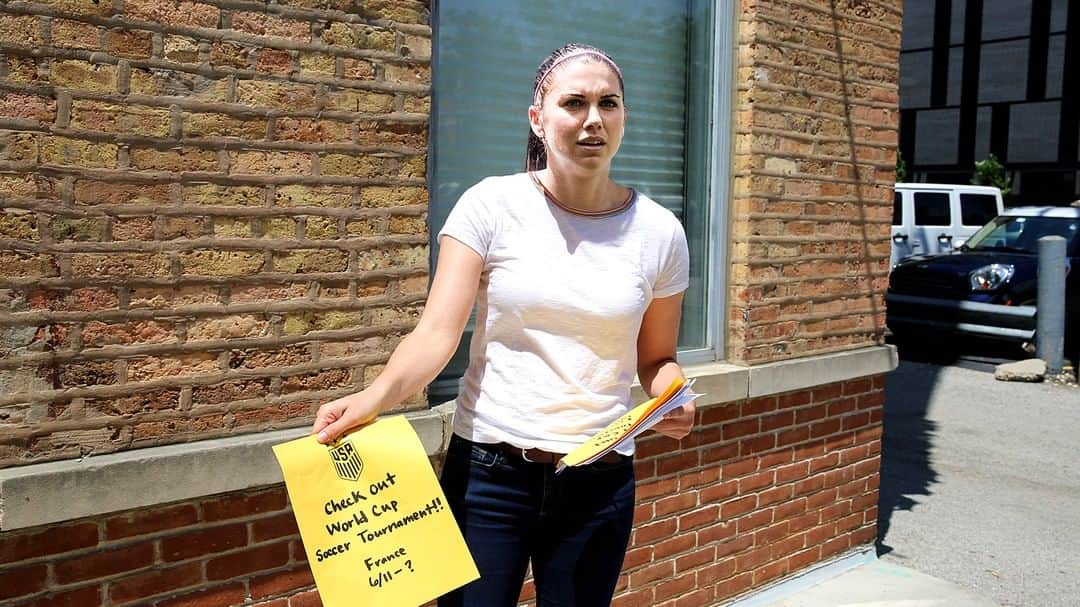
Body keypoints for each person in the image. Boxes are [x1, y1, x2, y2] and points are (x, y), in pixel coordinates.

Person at [311, 43, 695, 607]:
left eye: (607, 103)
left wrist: (671, 396)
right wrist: (374, 398)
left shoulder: (660, 232)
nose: (593, 119)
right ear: (538, 119)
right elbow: (437, 334)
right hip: (489, 476)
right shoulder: (490, 206)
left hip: (598, 481)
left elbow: (656, 357)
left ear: (623, 118)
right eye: (574, 103)